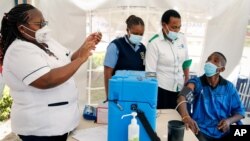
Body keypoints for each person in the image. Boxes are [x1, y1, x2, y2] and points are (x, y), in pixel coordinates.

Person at [0, 4, 102, 141]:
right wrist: (81, 59)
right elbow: (46, 80)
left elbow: (69, 59)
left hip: (58, 124)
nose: (44, 27)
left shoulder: (47, 42)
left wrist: (85, 46)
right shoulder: (19, 50)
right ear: (22, 28)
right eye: (39, 24)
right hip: (39, 129)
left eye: (44, 22)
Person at [177, 52, 245, 141]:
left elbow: (240, 112)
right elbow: (182, 96)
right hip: (201, 131)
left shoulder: (229, 87)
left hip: (223, 131)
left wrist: (229, 121)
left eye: (215, 61)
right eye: (208, 60)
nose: (210, 63)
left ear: (222, 69)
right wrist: (186, 117)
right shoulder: (197, 82)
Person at [145, 9, 191, 109]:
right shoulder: (154, 43)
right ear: (164, 25)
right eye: (174, 27)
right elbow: (150, 73)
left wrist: (187, 80)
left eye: (179, 27)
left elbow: (186, 62)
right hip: (162, 89)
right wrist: (152, 95)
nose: (177, 31)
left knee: (180, 118)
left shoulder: (182, 38)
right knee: (164, 120)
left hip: (180, 87)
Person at [104, 15, 146, 100]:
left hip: (137, 92)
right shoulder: (116, 45)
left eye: (141, 34)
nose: (138, 36)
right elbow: (107, 73)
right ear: (128, 30)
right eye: (135, 33)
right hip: (119, 91)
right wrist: (110, 96)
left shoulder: (142, 48)